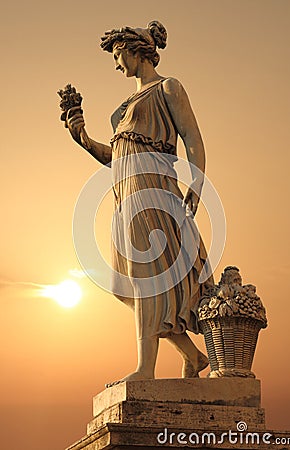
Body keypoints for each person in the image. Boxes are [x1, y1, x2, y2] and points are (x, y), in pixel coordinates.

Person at [64, 20, 214, 385]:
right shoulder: (124, 106)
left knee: (149, 280)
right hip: (125, 197)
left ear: (135, 51)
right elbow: (115, 156)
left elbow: (193, 138)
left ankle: (146, 368)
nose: (117, 65)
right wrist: (81, 136)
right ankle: (193, 357)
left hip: (154, 192)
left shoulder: (167, 88)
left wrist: (196, 180)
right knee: (132, 283)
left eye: (118, 56)